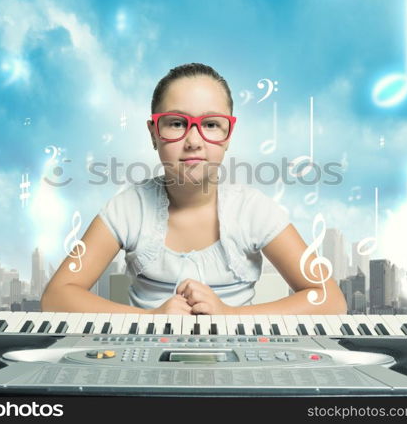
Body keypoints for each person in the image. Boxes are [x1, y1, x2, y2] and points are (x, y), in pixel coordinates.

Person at [41, 63, 347, 316]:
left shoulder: (252, 210)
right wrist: (150, 318)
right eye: (176, 123)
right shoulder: (128, 209)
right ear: (153, 133)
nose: (194, 141)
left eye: (211, 125)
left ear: (229, 135)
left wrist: (230, 314)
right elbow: (56, 296)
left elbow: (330, 300)